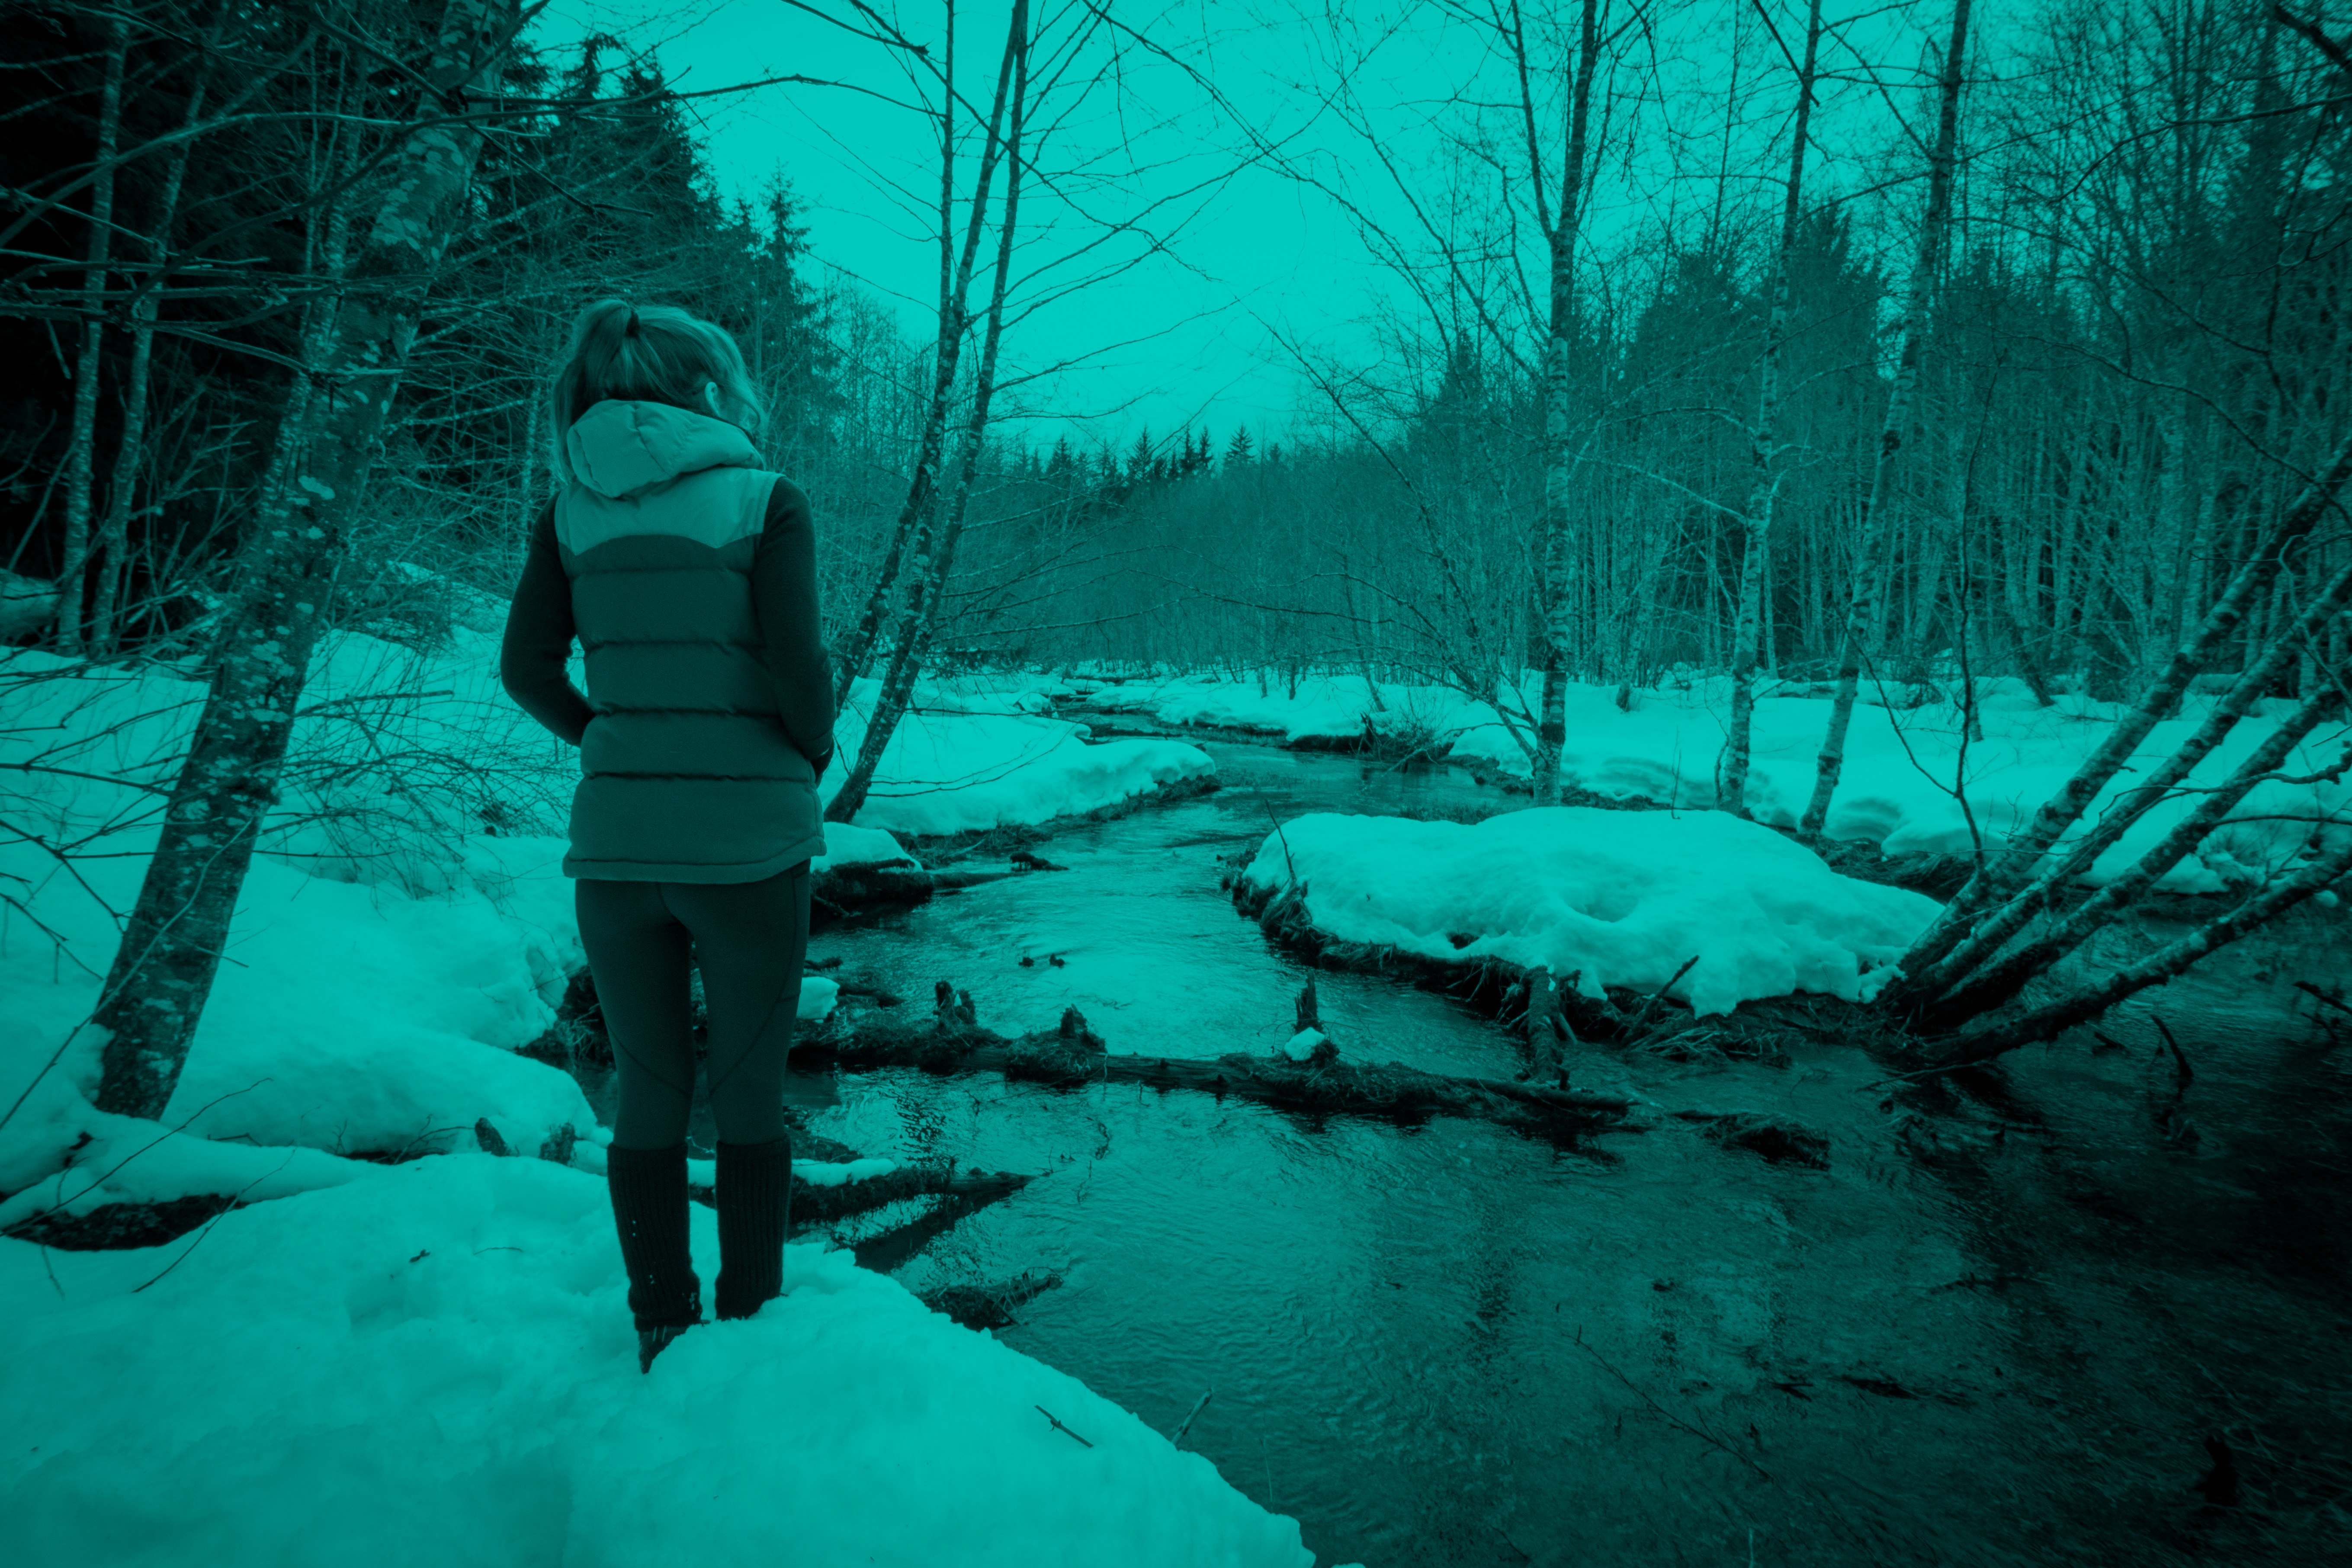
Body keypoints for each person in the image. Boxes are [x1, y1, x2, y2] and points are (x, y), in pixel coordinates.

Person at [499, 298, 834, 1373]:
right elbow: (801, 677)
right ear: (706, 384)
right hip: (747, 846)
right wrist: (804, 753)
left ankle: (659, 1320)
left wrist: (609, 737)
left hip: (617, 848)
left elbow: (523, 668)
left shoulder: (570, 508)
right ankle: (748, 1325)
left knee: (648, 1084)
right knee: (745, 1087)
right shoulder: (763, 499)